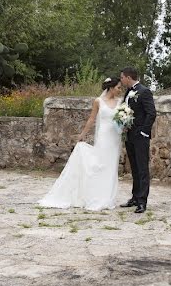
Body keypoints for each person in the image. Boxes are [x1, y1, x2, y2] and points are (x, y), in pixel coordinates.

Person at [37, 77, 124, 211]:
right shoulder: (98, 101)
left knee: (111, 166)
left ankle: (108, 197)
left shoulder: (120, 102)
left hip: (115, 138)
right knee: (100, 165)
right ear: (111, 88)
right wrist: (82, 135)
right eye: (118, 87)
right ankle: (97, 196)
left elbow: (123, 118)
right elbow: (91, 119)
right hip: (103, 137)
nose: (120, 90)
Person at [118, 67, 157, 213]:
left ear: (128, 77)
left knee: (142, 169)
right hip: (129, 135)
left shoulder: (144, 91)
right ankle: (135, 197)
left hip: (140, 136)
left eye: (122, 78)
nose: (121, 80)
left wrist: (143, 131)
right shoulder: (128, 92)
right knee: (134, 167)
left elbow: (151, 113)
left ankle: (142, 201)